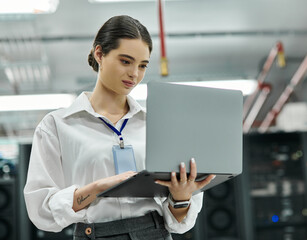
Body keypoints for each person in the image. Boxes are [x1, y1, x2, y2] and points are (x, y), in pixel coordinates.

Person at [23, 15, 215, 240]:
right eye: (126, 61)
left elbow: (178, 223)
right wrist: (96, 189)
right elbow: (41, 210)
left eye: (142, 65)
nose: (135, 74)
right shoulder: (56, 126)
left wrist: (181, 197)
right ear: (99, 54)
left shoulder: (158, 124)